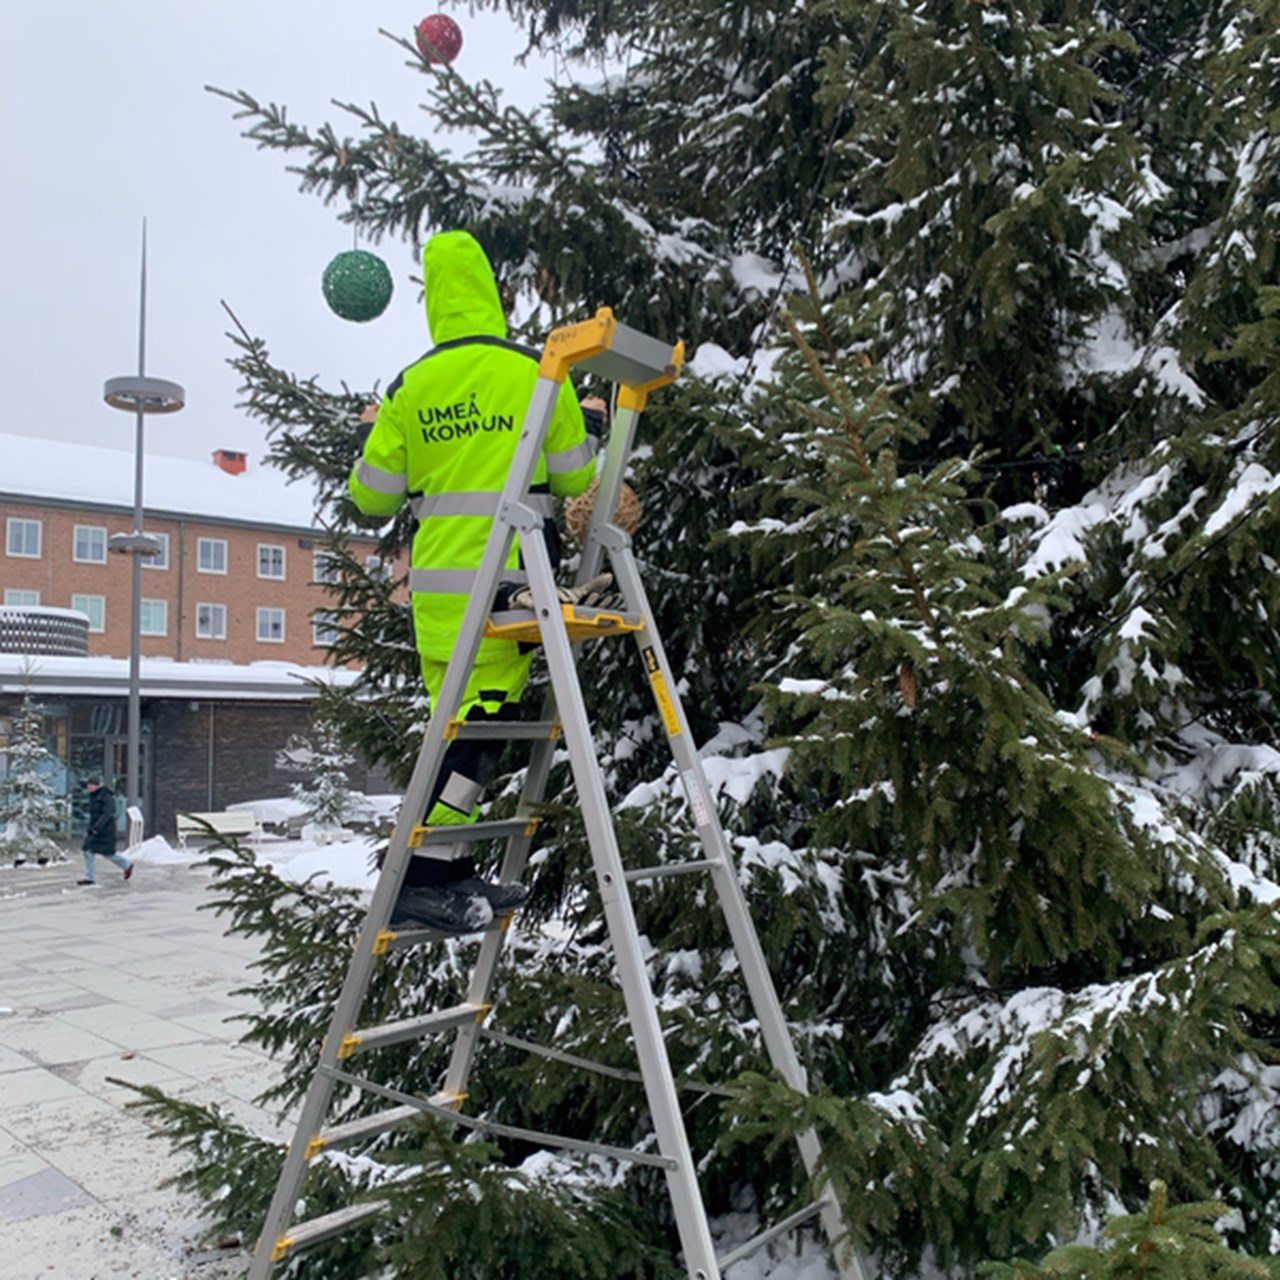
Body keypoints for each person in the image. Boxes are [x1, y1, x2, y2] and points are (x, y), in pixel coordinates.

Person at [349, 229, 605, 935]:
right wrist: (584, 423)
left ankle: (448, 868)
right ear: (490, 293)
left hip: (440, 601)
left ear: (433, 303)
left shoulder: (410, 386)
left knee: (469, 737)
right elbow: (578, 478)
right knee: (476, 739)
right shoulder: (536, 372)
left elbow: (371, 497)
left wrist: (368, 432)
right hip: (510, 592)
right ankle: (416, 880)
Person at [77, 776, 133, 886]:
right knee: (87, 850)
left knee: (108, 853)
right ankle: (89, 877)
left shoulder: (106, 797)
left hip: (105, 830)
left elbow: (106, 814)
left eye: (91, 785)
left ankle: (127, 865)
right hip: (94, 828)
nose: (89, 787)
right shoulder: (94, 795)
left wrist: (96, 828)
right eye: (88, 785)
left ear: (97, 785)